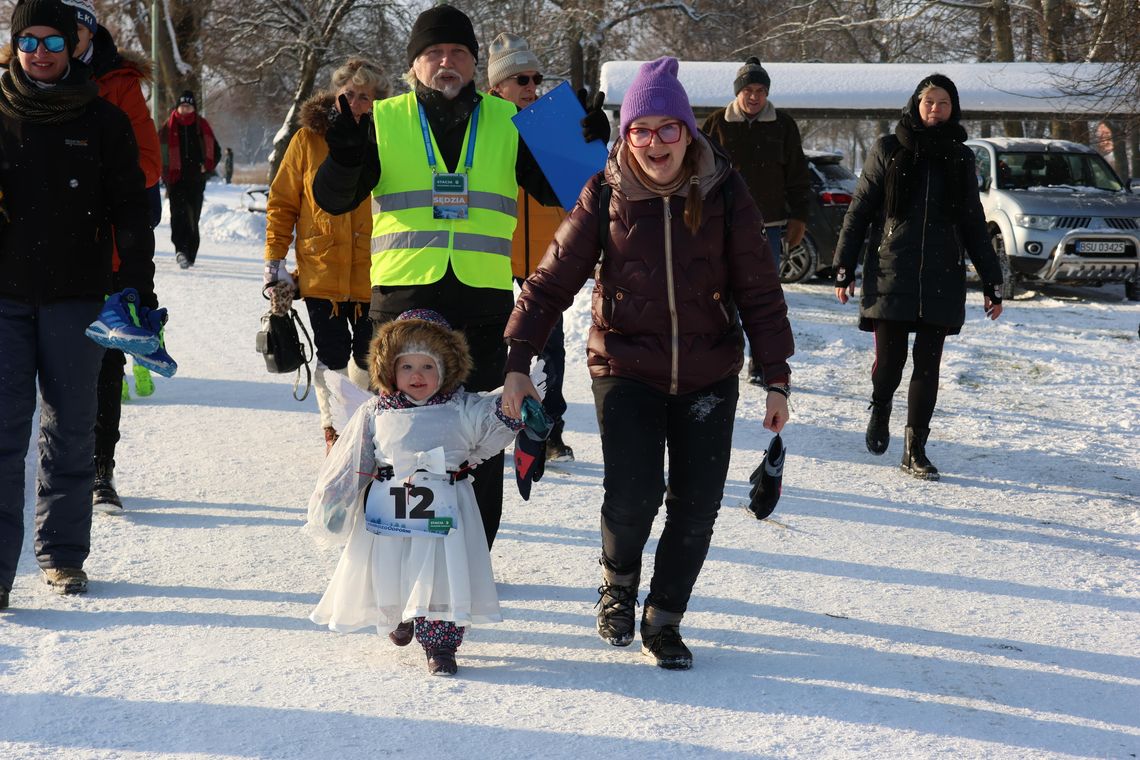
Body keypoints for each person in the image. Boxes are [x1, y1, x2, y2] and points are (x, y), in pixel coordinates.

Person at [501, 57, 794, 670]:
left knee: (696, 503)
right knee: (634, 493)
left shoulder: (723, 189)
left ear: (688, 132)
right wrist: (518, 360)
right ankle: (618, 583)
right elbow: (550, 282)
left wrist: (775, 376)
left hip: (708, 371)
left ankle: (665, 618)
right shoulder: (605, 190)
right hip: (626, 365)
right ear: (625, 134)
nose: (655, 143)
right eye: (642, 129)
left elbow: (760, 290)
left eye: (668, 129)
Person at [313, 4, 609, 548]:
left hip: (482, 303)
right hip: (403, 301)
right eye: (433, 53)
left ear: (474, 64)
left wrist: (587, 141)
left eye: (458, 53)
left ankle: (472, 554)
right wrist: (345, 156)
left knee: (480, 438)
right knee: (397, 440)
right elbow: (332, 199)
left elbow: (571, 186)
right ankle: (394, 554)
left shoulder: (507, 121)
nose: (445, 62)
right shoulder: (384, 119)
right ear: (414, 64)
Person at [0, 0, 157, 608]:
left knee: (70, 430)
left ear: (73, 48)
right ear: (14, 47)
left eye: (53, 42)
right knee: (5, 432)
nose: (40, 53)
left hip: (78, 296)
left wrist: (136, 289)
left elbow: (131, 214)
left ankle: (63, 556)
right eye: (29, 41)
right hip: (5, 295)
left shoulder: (102, 119)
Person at [306, 309, 536, 676]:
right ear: (389, 371)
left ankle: (441, 643)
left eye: (428, 367)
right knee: (392, 567)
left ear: (447, 369)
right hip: (390, 510)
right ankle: (399, 615)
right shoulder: (375, 411)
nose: (417, 376)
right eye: (407, 366)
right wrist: (337, 497)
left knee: (442, 575)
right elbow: (353, 456)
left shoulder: (461, 407)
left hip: (444, 510)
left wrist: (520, 411)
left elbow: (494, 416)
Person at [832, 73, 1004, 480]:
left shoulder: (961, 157)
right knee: (889, 364)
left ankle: (915, 448)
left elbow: (972, 222)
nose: (935, 109)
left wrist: (992, 281)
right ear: (916, 103)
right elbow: (860, 210)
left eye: (943, 103)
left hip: (943, 273)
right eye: (929, 101)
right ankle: (881, 406)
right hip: (892, 269)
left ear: (953, 109)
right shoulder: (888, 149)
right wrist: (844, 266)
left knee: (928, 366)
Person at [55, 0, 162, 512]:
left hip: (107, 248)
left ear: (88, 34)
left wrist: (80, 181)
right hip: (37, 248)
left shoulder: (119, 85)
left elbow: (147, 165)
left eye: (73, 30)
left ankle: (101, 471)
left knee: (103, 361)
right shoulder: (20, 81)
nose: (62, 39)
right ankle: (52, 469)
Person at [264, 57, 388, 453]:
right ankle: (333, 427)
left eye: (365, 96)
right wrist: (275, 261)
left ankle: (361, 421)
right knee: (331, 354)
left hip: (375, 270)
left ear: (377, 101)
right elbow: (282, 203)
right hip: (321, 270)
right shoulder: (307, 140)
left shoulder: (388, 137)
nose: (356, 103)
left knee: (370, 357)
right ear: (335, 96)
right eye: (348, 95)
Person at [486, 31, 573, 462]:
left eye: (535, 78)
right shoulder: (481, 126)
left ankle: (549, 429)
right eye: (520, 79)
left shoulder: (553, 125)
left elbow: (583, 187)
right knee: (491, 341)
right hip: (490, 253)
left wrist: (590, 140)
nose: (531, 87)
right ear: (496, 87)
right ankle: (489, 423)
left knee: (548, 344)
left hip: (544, 255)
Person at [701, 57, 810, 384]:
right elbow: (699, 172)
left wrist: (799, 217)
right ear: (738, 92)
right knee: (721, 296)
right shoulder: (716, 123)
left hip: (770, 226)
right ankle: (724, 360)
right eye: (748, 89)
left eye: (760, 90)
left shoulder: (783, 125)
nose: (754, 96)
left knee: (763, 298)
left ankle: (762, 363)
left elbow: (798, 175)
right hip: (723, 225)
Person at [160, 88, 220, 269]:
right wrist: (165, 172)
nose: (185, 109)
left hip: (196, 179)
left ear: (194, 108)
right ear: (177, 107)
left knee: (193, 217)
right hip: (175, 179)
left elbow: (215, 151)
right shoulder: (167, 127)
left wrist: (207, 167)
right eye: (183, 106)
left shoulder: (202, 126)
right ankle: (180, 250)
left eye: (189, 106)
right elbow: (158, 151)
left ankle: (190, 253)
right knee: (178, 216)